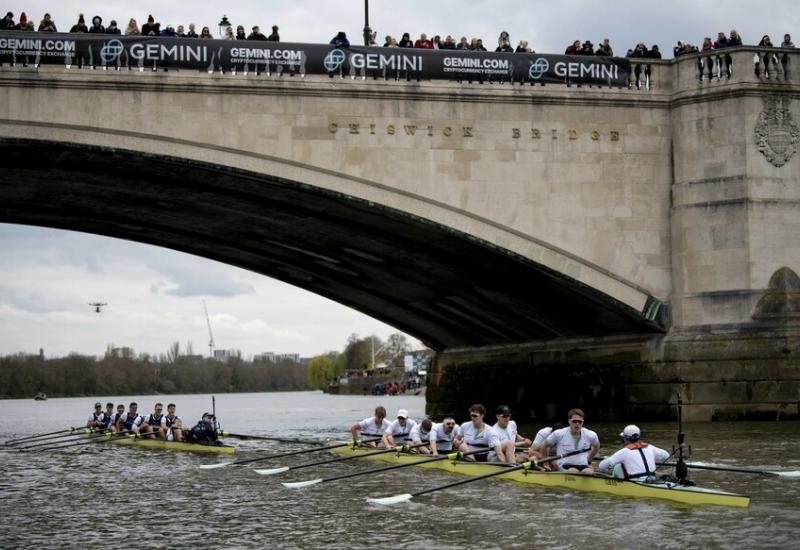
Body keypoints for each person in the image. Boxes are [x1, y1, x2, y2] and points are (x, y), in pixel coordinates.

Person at [598, 425, 670, 480]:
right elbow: (667, 456)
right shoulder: (650, 447)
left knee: (618, 467)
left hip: (636, 482)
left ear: (626, 439)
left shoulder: (624, 452)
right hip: (652, 479)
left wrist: (609, 460)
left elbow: (601, 466)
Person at [540, 408, 600, 473]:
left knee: (589, 472)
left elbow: (597, 446)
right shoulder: (559, 434)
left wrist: (589, 461)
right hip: (565, 465)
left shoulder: (591, 435)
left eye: (580, 421)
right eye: (574, 421)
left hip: (583, 465)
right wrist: (545, 463)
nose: (577, 423)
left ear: (583, 422)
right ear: (569, 421)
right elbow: (544, 446)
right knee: (573, 471)